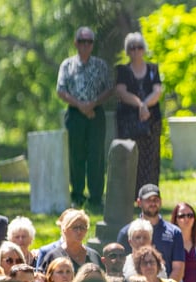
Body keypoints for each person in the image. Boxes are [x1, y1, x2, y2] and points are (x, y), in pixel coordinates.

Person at [56, 27, 112, 212]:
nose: (85, 45)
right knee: (76, 155)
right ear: (76, 43)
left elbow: (109, 88)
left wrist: (93, 103)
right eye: (82, 41)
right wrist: (81, 105)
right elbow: (61, 90)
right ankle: (77, 195)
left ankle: (96, 197)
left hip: (96, 114)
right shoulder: (67, 65)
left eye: (89, 42)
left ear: (93, 45)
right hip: (75, 114)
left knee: (96, 155)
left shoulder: (100, 65)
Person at [115, 32, 163, 191]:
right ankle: (131, 193)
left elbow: (157, 91)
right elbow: (121, 92)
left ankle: (149, 194)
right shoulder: (123, 70)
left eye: (139, 47)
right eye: (132, 48)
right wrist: (140, 105)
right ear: (127, 50)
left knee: (150, 159)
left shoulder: (153, 69)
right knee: (131, 158)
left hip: (151, 120)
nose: (136, 51)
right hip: (128, 121)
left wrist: (145, 106)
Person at [117, 184, 185, 282]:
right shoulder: (126, 232)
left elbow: (178, 269)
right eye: (148, 200)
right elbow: (119, 266)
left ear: (161, 201)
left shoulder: (175, 232)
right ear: (139, 202)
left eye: (156, 199)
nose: (153, 203)